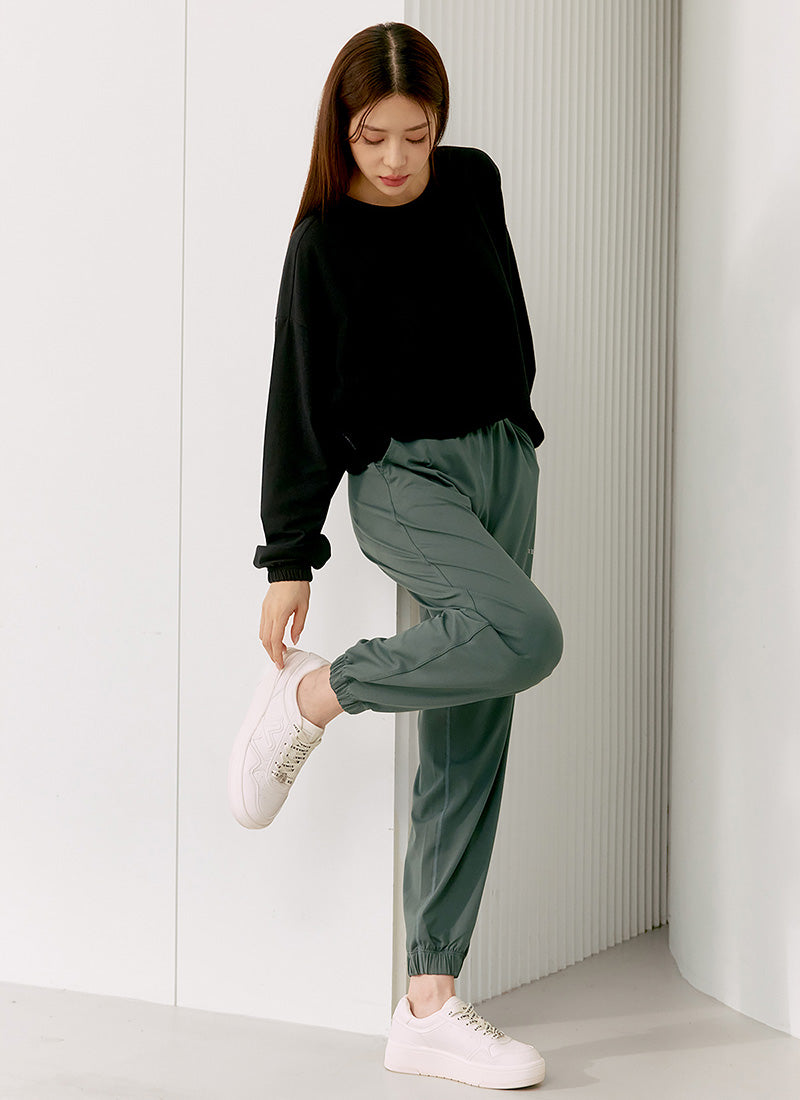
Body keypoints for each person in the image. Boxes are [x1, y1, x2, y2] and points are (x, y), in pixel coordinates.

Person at [227, 21, 563, 1091]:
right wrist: (289, 555)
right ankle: (315, 694)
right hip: (403, 477)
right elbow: (296, 401)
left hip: (501, 464)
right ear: (342, 129)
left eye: (414, 136)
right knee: (527, 636)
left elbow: (499, 319)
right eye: (372, 136)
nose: (394, 158)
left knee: (473, 729)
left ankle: (428, 1004)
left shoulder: (473, 184)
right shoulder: (323, 242)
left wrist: (514, 429)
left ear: (439, 126)